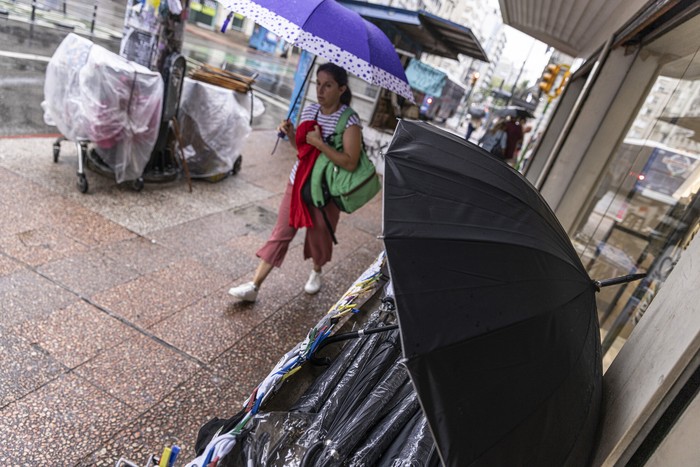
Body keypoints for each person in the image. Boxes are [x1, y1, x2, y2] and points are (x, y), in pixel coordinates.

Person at [228, 63, 362, 303]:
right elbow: (302, 150)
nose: (320, 90)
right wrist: (291, 134)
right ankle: (254, 286)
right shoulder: (311, 112)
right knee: (281, 232)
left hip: (326, 191)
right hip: (298, 183)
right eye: (318, 84)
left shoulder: (350, 121)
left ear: (341, 89)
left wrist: (321, 144)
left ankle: (317, 271)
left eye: (328, 85)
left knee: (319, 235)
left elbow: (350, 163)